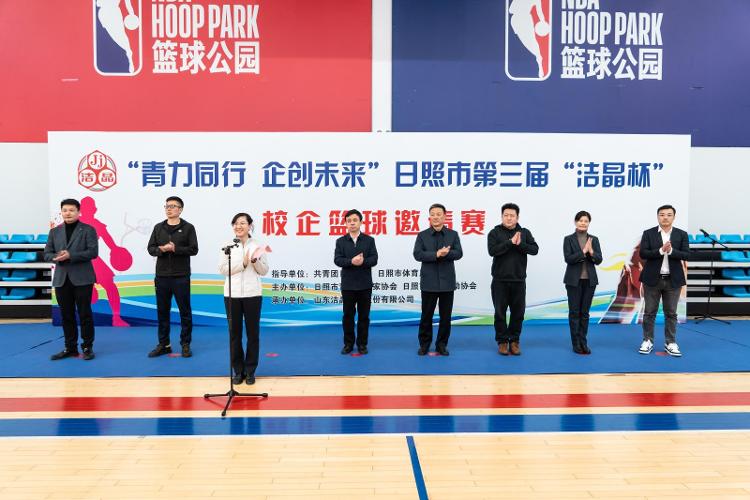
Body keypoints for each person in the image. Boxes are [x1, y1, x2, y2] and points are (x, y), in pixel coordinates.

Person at [44, 198, 99, 360]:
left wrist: (71, 255)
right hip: (62, 279)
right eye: (65, 210)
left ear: (78, 212)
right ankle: (70, 347)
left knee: (84, 314)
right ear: (61, 212)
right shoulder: (54, 232)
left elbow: (93, 252)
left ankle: (87, 347)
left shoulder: (88, 229)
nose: (68, 213)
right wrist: (56, 257)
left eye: (71, 210)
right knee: (66, 315)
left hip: (83, 279)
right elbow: (47, 254)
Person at [219, 213, 269, 385]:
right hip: (231, 295)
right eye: (235, 223)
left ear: (250, 226)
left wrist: (254, 261)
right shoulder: (227, 246)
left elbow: (264, 270)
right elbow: (222, 269)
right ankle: (238, 371)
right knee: (234, 335)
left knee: (253, 334)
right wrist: (243, 264)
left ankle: (250, 371)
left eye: (242, 223)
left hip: (252, 294)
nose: (238, 226)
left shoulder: (258, 246)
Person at [146, 196, 198, 358]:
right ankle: (164, 344)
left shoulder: (188, 228)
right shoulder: (158, 227)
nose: (169, 209)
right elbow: (150, 248)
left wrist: (176, 249)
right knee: (162, 312)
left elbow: (194, 249)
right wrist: (161, 249)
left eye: (173, 206)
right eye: (167, 206)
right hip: (162, 276)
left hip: (181, 276)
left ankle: (185, 344)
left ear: (180, 209)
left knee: (185, 312)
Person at [638, 204, 690, 357]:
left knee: (671, 313)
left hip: (673, 280)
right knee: (649, 313)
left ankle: (670, 342)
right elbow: (643, 253)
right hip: (652, 279)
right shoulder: (648, 233)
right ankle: (647, 340)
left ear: (674, 217)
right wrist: (661, 251)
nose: (665, 217)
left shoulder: (681, 234)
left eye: (668, 215)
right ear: (657, 216)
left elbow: (687, 255)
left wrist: (672, 251)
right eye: (662, 215)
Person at [487, 203, 539, 356]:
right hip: (499, 281)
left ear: (517, 217)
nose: (509, 218)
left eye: (512, 215)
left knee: (518, 313)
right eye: (506, 215)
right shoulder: (494, 233)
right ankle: (502, 342)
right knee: (500, 313)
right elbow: (492, 251)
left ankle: (514, 341)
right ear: (502, 216)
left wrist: (520, 244)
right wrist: (510, 242)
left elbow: (534, 250)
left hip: (519, 280)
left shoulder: (525, 232)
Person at [413, 203, 463, 356]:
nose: (435, 217)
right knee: (426, 316)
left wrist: (446, 253)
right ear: (429, 217)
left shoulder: (452, 235)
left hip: (447, 282)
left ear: (445, 216)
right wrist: (436, 254)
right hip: (429, 282)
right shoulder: (422, 235)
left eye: (438, 214)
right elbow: (417, 254)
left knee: (445, 317)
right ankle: (424, 344)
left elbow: (459, 253)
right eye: (433, 214)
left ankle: (441, 345)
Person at [334, 209, 378, 355]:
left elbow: (374, 259)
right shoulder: (341, 241)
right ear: (346, 224)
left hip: (365, 285)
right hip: (348, 285)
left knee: (364, 317)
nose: (352, 223)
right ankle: (348, 344)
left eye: (355, 220)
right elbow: (337, 260)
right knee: (348, 316)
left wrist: (363, 261)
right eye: (349, 221)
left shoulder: (369, 240)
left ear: (361, 222)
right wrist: (351, 262)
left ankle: (362, 344)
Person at [563, 211, 603, 354]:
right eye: (580, 220)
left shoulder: (594, 239)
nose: (583, 223)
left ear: (589, 223)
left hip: (590, 281)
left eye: (586, 221)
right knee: (574, 313)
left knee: (585, 313)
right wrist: (583, 251)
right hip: (573, 281)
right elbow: (568, 259)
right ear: (575, 222)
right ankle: (576, 343)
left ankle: (583, 342)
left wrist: (591, 252)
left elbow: (599, 260)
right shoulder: (568, 239)